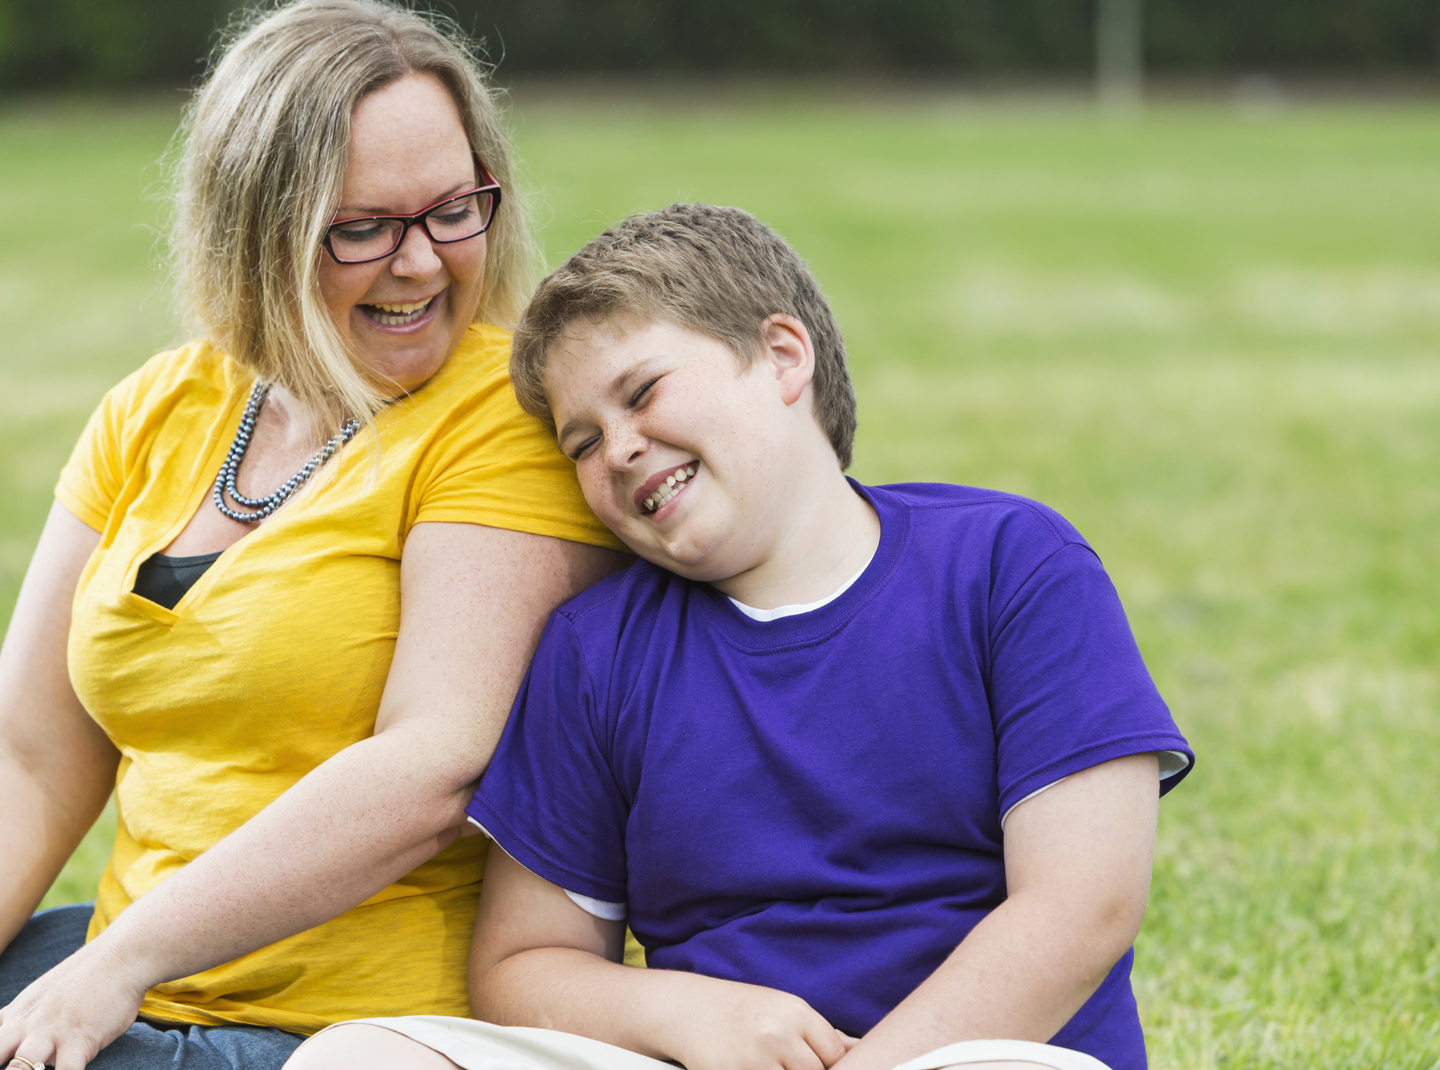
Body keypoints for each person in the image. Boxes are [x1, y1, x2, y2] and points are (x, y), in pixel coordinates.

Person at [283, 203, 1194, 1070]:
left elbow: (1083, 906)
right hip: (714, 1053)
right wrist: (691, 1013)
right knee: (353, 1057)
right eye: (582, 444)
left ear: (782, 355)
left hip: (975, 1052)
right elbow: (523, 963)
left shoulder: (1008, 564)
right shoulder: (597, 651)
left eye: (642, 394)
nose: (620, 450)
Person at [0, 0, 630, 1070]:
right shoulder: (161, 406)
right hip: (127, 976)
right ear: (257, 227)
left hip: (339, 1029)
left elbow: (436, 767)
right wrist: (100, 971)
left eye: (453, 210)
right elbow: (31, 759)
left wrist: (117, 970)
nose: (423, 264)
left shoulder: (507, 413)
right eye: (363, 228)